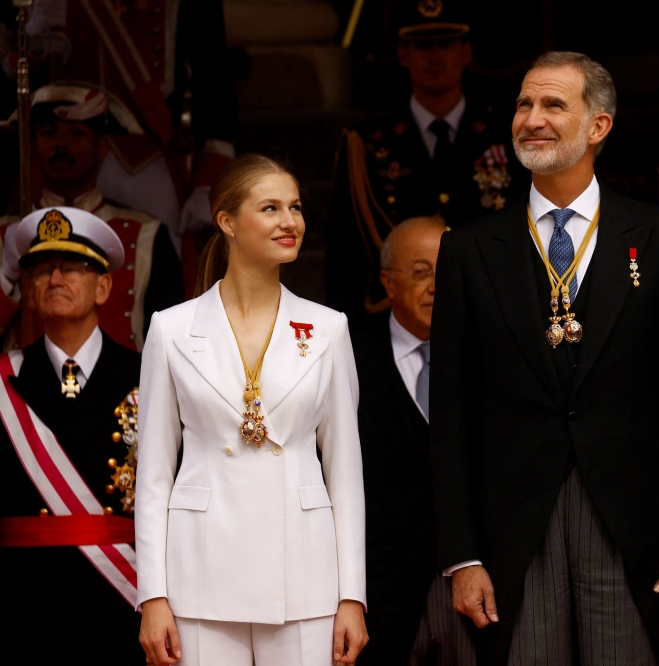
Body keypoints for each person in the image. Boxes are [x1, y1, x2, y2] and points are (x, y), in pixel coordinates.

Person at [430, 51, 659, 665]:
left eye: (553, 104)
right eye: (523, 104)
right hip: (512, 528)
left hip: (633, 523)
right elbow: (451, 410)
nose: (532, 118)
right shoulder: (469, 249)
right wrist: (462, 554)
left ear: (599, 126)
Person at [134, 155, 368, 665]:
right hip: (198, 576)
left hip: (306, 577)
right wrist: (152, 595)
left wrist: (352, 595)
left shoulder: (329, 328)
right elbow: (152, 476)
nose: (290, 222)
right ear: (227, 221)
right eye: (270, 208)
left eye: (296, 208)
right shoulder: (171, 328)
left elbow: (345, 474)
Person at [0, 206, 144, 663]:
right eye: (42, 270)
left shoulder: (147, 377)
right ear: (28, 289)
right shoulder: (4, 382)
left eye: (72, 268)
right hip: (22, 606)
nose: (55, 278)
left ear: (104, 287)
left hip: (119, 606)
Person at [327, 0, 526, 317]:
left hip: (489, 311)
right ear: (403, 55)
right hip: (395, 316)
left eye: (445, 44)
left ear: (466, 53)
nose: (434, 56)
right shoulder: (366, 144)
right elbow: (344, 252)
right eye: (422, 46)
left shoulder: (506, 136)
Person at [14, 0, 238, 261]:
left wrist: (208, 181)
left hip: (150, 158)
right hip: (61, 157)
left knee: (154, 269)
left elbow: (214, 76)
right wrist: (30, 44)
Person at [352, 215, 476, 666]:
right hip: (380, 593)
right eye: (421, 272)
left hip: (475, 594)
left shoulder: (489, 353)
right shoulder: (346, 355)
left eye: (447, 272)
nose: (436, 286)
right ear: (387, 282)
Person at [0, 83, 184, 351]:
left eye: (77, 133)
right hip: (19, 391)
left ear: (101, 148)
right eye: (48, 133)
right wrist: (5, 280)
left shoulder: (148, 234)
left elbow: (174, 344)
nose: (61, 143)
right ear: (31, 146)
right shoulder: (5, 235)